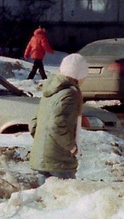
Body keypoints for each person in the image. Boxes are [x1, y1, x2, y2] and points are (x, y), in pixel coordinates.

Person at [29, 53, 87, 184]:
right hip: (59, 160)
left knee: (46, 201)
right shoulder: (70, 94)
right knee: (66, 201)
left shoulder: (51, 90)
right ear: (79, 74)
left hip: (42, 157)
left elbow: (34, 123)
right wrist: (71, 147)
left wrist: (42, 142)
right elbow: (56, 125)